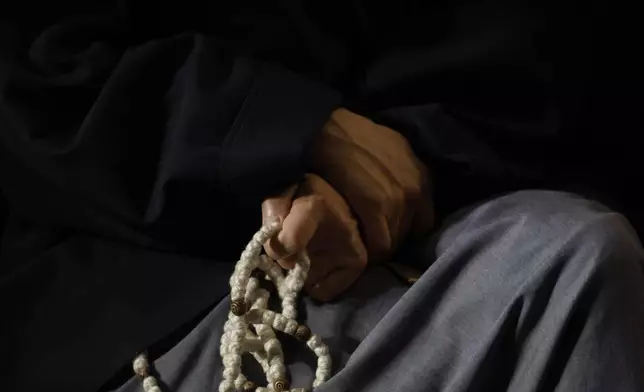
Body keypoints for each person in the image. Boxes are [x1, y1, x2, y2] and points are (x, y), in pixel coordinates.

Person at [1, 3, 644, 392]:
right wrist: (294, 131)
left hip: (440, 249)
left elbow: (551, 74)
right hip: (143, 313)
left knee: (579, 258)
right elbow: (32, 73)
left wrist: (385, 172)